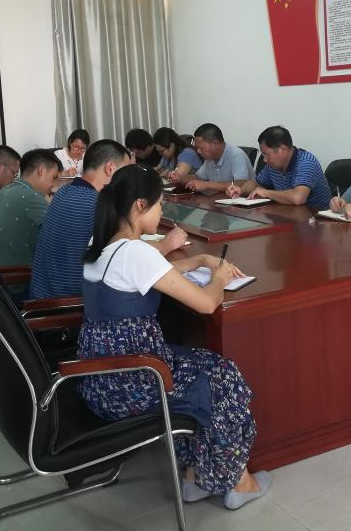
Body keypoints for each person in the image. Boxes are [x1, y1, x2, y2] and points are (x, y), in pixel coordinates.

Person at [78, 164, 272, 509]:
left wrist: (196, 261)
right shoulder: (135, 253)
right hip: (137, 381)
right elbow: (207, 304)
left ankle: (194, 476)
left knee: (207, 364)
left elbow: (146, 272)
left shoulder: (102, 243)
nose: (162, 212)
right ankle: (236, 481)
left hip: (100, 378)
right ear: (140, 205)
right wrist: (219, 278)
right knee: (223, 377)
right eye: (159, 205)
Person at [30, 140, 187, 299]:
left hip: (43, 295)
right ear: (110, 168)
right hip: (73, 303)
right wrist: (166, 245)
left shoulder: (63, 192)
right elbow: (127, 254)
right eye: (126, 172)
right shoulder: (98, 205)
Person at [0, 149, 61, 267]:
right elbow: (61, 237)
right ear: (41, 170)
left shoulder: (6, 189)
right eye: (54, 177)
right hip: (19, 275)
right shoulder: (32, 197)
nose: (53, 185)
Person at [227, 126, 331, 209]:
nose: (264, 160)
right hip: (288, 215)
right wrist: (240, 190)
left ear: (282, 150)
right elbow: (255, 184)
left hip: (317, 219)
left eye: (266, 154)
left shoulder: (306, 162)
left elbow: (298, 198)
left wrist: (266, 193)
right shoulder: (272, 166)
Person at [180, 123, 254, 192]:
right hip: (220, 199)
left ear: (215, 143)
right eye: (197, 148)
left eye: (201, 148)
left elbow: (240, 184)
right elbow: (197, 177)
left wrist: (207, 185)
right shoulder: (210, 159)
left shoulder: (236, 155)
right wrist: (179, 178)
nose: (198, 151)